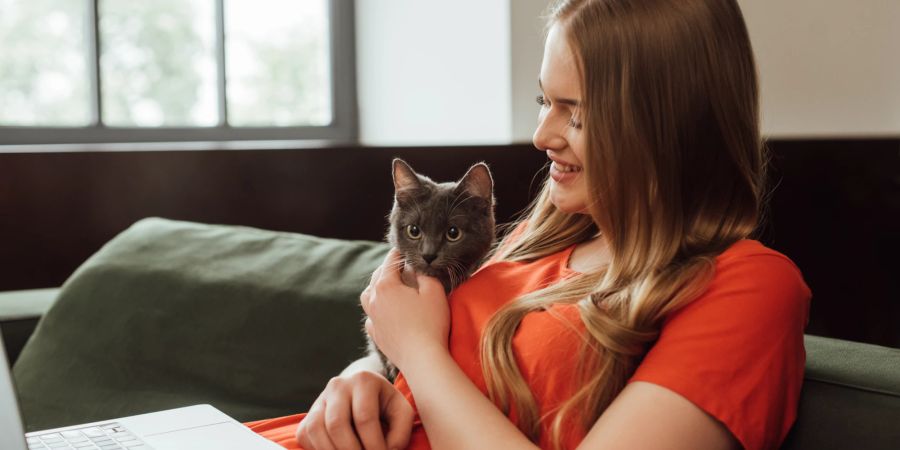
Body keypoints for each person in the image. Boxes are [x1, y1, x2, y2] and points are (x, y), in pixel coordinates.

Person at [245, 0, 811, 448]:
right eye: (545, 100)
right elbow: (419, 377)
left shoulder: (746, 288)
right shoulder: (531, 242)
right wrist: (359, 385)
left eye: (578, 114)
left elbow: (427, 359)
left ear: (673, 128)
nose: (542, 135)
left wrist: (416, 351)